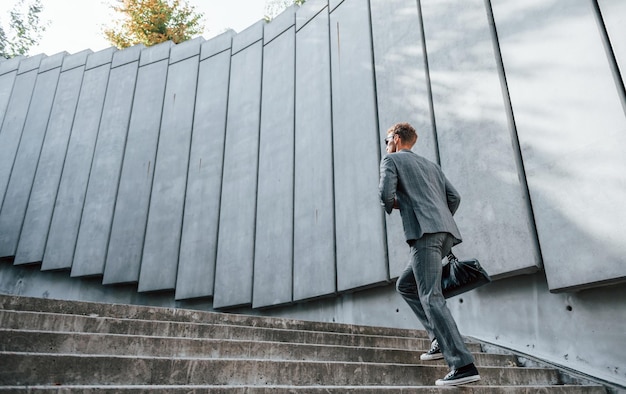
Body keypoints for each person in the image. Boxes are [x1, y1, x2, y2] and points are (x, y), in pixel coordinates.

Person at [378, 122, 480, 386]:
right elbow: (454, 198)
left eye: (387, 139)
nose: (386, 144)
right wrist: (437, 216)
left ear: (397, 139)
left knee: (431, 297)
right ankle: (437, 338)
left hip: (425, 235)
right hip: (445, 234)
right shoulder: (432, 166)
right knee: (406, 285)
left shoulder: (391, 160)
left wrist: (412, 205)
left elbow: (385, 196)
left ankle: (463, 365)